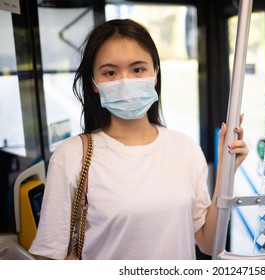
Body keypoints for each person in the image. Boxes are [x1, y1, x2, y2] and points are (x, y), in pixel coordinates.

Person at [29, 18, 248, 260]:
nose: (126, 82)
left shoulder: (185, 148)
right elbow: (47, 257)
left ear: (155, 73)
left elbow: (209, 244)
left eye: (137, 69)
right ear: (93, 83)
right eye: (110, 72)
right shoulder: (71, 156)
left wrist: (226, 173)